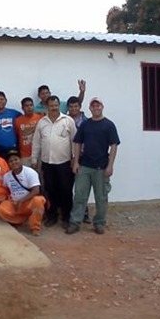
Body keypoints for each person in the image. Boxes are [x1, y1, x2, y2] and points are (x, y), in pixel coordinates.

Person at [67, 97, 120, 235]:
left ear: (102, 107)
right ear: (90, 108)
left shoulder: (109, 125)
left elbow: (114, 146)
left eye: (98, 106)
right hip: (84, 166)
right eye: (93, 106)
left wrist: (110, 165)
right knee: (79, 196)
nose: (96, 108)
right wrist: (76, 162)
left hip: (101, 167)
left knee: (101, 197)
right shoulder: (85, 125)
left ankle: (99, 223)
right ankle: (75, 222)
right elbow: (77, 143)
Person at [31, 96, 77, 228]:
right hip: (47, 163)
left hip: (64, 162)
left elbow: (75, 141)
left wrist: (75, 159)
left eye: (56, 105)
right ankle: (52, 216)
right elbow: (36, 142)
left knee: (66, 190)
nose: (54, 107)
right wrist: (34, 159)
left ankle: (67, 217)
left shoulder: (68, 121)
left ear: (59, 106)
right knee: (50, 189)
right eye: (51, 105)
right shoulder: (42, 122)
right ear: (47, 107)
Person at [0, 150, 46, 236]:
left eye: (15, 159)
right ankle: (20, 220)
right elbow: (5, 189)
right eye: (11, 161)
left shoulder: (30, 172)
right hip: (15, 203)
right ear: (8, 164)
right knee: (0, 210)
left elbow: (36, 190)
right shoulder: (6, 176)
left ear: (20, 160)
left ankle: (35, 227)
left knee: (38, 201)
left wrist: (21, 201)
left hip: (29, 202)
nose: (13, 162)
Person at [67, 95, 90, 224]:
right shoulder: (63, 119)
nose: (73, 108)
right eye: (71, 106)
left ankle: (84, 213)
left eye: (76, 106)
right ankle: (71, 213)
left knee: (82, 188)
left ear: (80, 107)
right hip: (67, 157)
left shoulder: (87, 122)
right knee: (67, 186)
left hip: (83, 158)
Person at [14, 97, 43, 167]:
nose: (29, 108)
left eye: (31, 105)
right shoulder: (17, 121)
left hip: (39, 154)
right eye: (26, 106)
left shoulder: (40, 118)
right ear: (22, 108)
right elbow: (18, 135)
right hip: (25, 155)